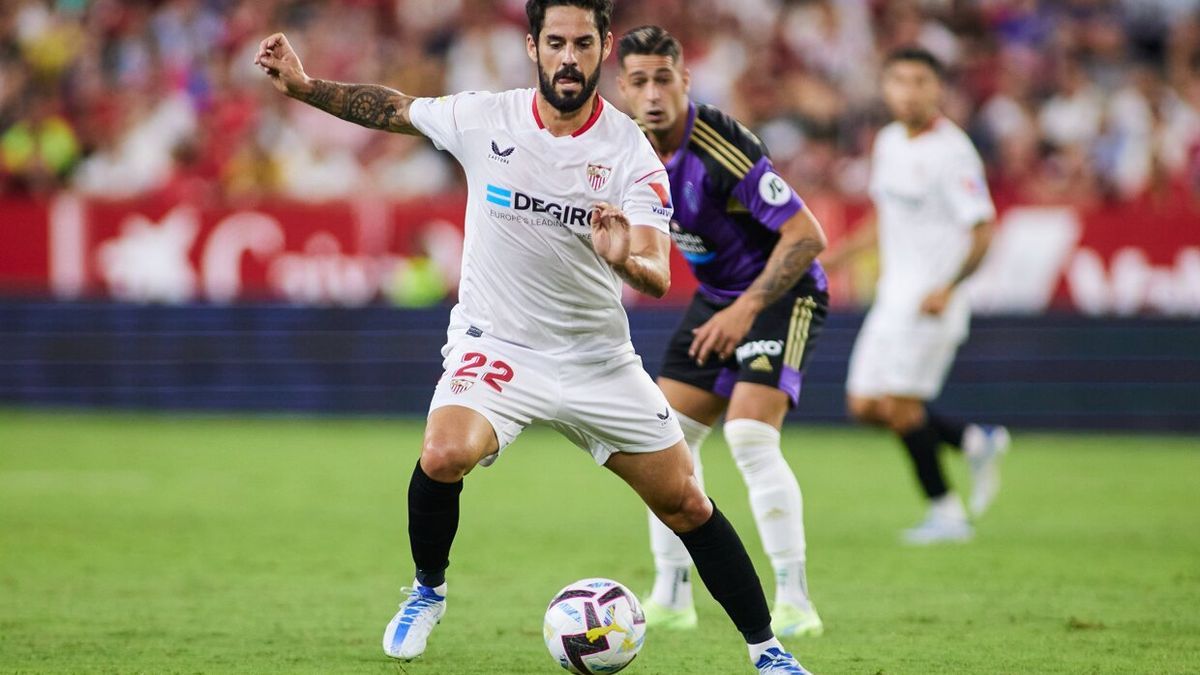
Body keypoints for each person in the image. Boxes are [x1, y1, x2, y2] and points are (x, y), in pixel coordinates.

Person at [254, 2, 812, 672]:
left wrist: (622, 256)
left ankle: (767, 649)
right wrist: (306, 87)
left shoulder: (630, 151)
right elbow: (394, 107)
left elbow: (658, 271)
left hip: (597, 362)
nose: (569, 58)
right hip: (499, 346)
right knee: (442, 452)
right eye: (556, 43)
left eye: (582, 43)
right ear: (533, 47)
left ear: (604, 47)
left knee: (686, 500)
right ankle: (427, 589)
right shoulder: (486, 117)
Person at [615, 26, 828, 637]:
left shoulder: (719, 145)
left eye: (663, 79)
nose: (653, 93)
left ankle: (795, 601)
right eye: (638, 81)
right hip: (717, 299)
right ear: (623, 89)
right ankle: (672, 596)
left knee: (750, 438)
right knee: (660, 439)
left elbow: (808, 234)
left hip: (783, 293)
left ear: (685, 80)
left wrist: (742, 310)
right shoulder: (625, 147)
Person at [821, 46, 1010, 546]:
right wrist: (833, 258)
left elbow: (983, 229)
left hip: (931, 300)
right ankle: (973, 439)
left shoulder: (954, 152)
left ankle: (946, 513)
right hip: (892, 297)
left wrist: (948, 287)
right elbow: (884, 218)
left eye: (920, 81)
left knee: (903, 410)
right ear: (886, 87)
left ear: (937, 88)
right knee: (864, 405)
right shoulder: (887, 142)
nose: (909, 90)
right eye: (899, 80)